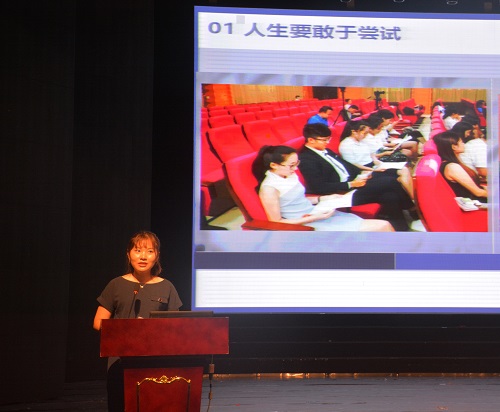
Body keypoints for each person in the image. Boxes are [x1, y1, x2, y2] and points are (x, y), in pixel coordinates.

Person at [93, 231, 182, 412]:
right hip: (120, 362)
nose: (143, 256)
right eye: (138, 250)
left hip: (156, 363)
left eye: (149, 251)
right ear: (128, 254)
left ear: (157, 256)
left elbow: (176, 328)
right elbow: (98, 323)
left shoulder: (167, 287)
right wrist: (128, 329)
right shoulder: (116, 285)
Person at [298, 123, 415, 231]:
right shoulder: (306, 159)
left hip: (354, 181)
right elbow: (319, 186)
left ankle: (401, 228)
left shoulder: (325, 150)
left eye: (328, 139)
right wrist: (351, 184)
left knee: (390, 193)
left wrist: (367, 171)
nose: (327, 142)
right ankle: (413, 209)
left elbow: (346, 165)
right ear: (311, 140)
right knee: (391, 182)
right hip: (343, 191)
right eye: (324, 140)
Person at [252, 145, 394, 232]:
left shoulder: (288, 174)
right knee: (383, 226)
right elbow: (276, 222)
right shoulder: (269, 188)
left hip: (315, 214)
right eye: (291, 165)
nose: (295, 169)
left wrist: (324, 198)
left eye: (296, 164)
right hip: (305, 225)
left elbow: (298, 199)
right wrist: (318, 217)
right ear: (274, 165)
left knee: (383, 226)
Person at [433, 131, 487, 203]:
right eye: (461, 142)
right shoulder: (452, 167)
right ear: (454, 147)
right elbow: (478, 193)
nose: (464, 144)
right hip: (472, 203)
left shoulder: (450, 163)